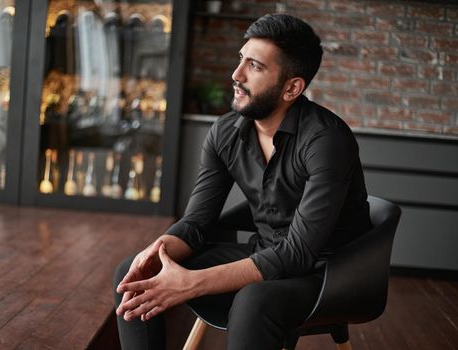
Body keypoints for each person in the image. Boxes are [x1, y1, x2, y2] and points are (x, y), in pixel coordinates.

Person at [114, 13, 372, 350]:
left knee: (253, 301)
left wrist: (191, 283)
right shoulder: (225, 133)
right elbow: (195, 225)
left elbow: (297, 255)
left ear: (292, 88)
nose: (236, 76)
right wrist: (157, 250)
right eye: (241, 60)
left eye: (255, 66)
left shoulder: (327, 141)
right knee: (133, 272)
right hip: (266, 255)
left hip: (329, 276)